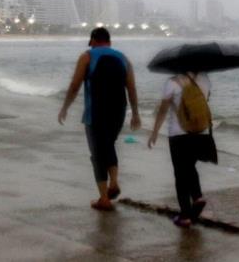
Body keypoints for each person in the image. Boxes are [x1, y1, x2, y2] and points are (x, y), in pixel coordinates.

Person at [58, 28, 141, 211]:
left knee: (97, 152)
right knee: (108, 144)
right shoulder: (123, 58)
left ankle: (104, 197)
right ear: (109, 42)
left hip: (95, 112)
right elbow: (132, 88)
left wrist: (65, 107)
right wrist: (135, 113)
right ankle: (114, 182)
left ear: (94, 40)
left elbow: (75, 84)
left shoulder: (87, 56)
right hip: (119, 111)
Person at [147, 72, 215, 228]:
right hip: (200, 133)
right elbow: (206, 100)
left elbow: (163, 110)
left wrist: (155, 132)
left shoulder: (172, 82)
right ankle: (197, 197)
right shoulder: (204, 79)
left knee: (180, 173)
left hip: (178, 134)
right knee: (190, 167)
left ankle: (185, 216)